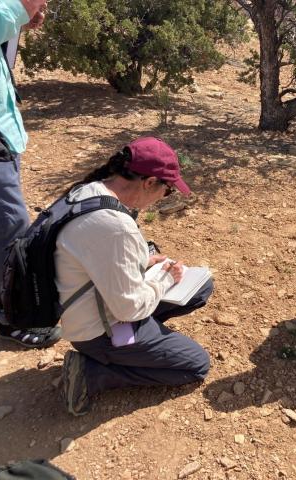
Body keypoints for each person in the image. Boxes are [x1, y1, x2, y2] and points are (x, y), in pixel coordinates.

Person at [57, 137, 212, 416]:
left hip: (87, 305)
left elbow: (98, 257)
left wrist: (144, 262)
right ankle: (92, 374)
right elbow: (128, 308)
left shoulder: (88, 192)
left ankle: (141, 342)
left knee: (200, 287)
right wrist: (163, 279)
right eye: (167, 191)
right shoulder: (116, 228)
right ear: (149, 182)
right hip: (98, 331)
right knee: (196, 364)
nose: (164, 198)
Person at [0, 0, 59, 348]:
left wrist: (16, 22)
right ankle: (13, 318)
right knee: (8, 228)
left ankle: (1, 301)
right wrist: (14, 11)